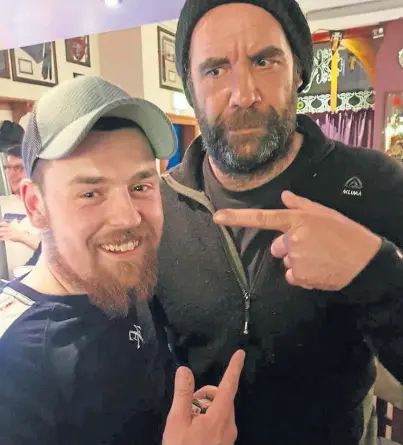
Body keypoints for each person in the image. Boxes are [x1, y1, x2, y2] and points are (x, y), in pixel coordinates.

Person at [156, 1, 403, 444]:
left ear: (299, 73)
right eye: (215, 70)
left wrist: (374, 270)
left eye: (264, 61)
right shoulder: (159, 204)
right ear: (191, 87)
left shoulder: (374, 183)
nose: (243, 94)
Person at [0, 75, 245, 445]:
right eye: (90, 193)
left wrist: (181, 416)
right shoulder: (14, 364)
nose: (128, 217)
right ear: (35, 205)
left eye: (141, 186)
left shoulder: (123, 282)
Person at [0, 122, 41, 275]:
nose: (11, 174)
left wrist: (19, 236)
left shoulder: (44, 206)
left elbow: (54, 251)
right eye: (8, 169)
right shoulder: (3, 202)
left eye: (18, 168)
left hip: (31, 284)